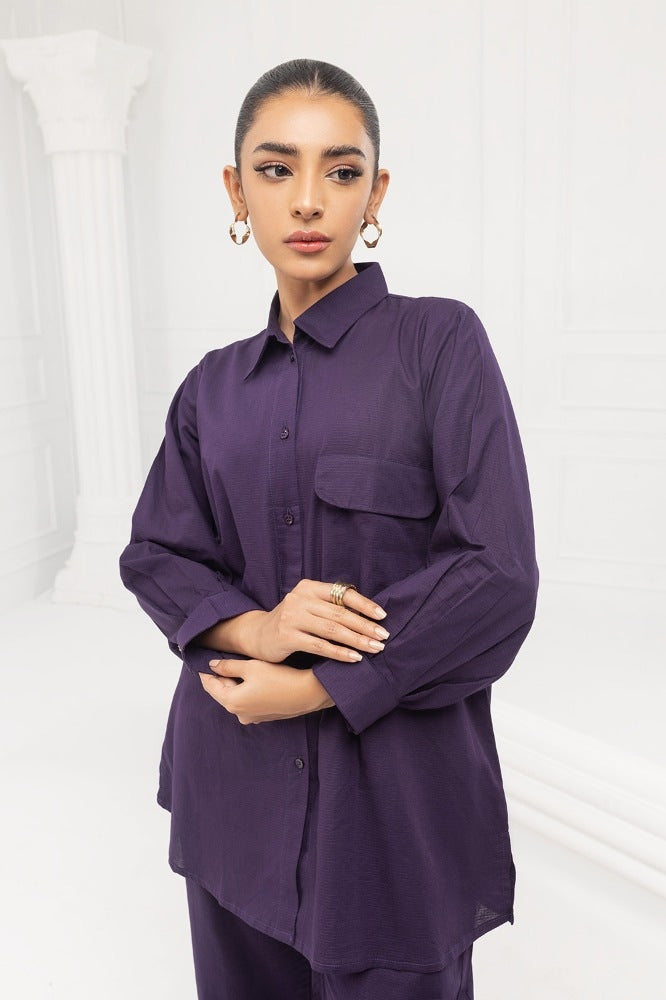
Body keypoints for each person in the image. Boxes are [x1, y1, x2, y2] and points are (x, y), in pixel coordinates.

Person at [119, 58, 539, 1000]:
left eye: (341, 171)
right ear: (236, 191)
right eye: (276, 169)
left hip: (387, 822)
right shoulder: (210, 387)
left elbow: (497, 573)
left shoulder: (440, 344)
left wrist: (315, 688)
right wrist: (259, 628)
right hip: (229, 800)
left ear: (374, 194)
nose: (308, 199)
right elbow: (155, 552)